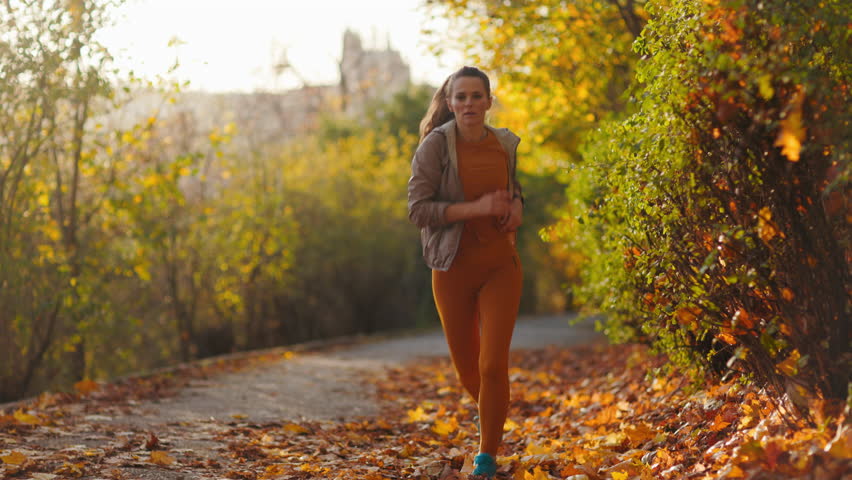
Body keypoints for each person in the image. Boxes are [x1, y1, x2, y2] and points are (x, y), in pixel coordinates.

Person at [407, 66, 524, 478]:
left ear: (489, 102)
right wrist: (474, 210)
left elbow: (513, 190)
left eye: (478, 96)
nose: (470, 104)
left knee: (493, 366)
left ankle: (486, 457)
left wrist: (516, 208)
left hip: (500, 266)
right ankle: (495, 415)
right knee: (470, 372)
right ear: (451, 102)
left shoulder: (505, 144)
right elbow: (418, 210)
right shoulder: (435, 148)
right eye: (462, 97)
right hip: (451, 268)